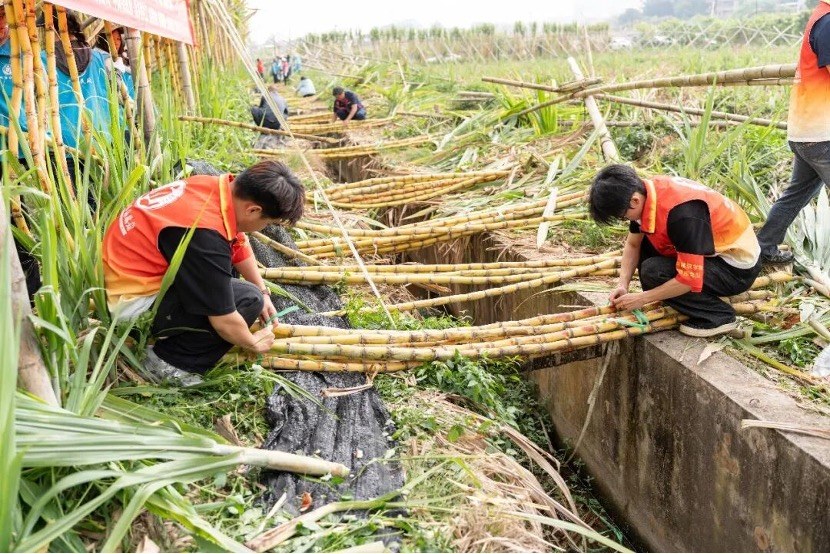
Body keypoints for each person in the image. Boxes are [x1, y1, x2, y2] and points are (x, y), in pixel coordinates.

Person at [102, 160, 305, 384]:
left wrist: (263, 288)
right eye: (267, 223)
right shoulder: (203, 234)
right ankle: (166, 363)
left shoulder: (212, 188)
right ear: (253, 210)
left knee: (246, 285)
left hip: (132, 273)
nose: (264, 228)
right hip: (131, 305)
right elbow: (224, 320)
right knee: (248, 300)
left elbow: (237, 240)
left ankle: (179, 332)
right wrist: (252, 342)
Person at [588, 164, 762, 338]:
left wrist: (642, 298)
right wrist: (622, 285)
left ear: (634, 201)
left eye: (623, 216)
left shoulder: (682, 215)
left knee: (653, 272)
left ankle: (718, 315)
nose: (626, 220)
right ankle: (682, 298)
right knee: (647, 247)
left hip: (735, 271)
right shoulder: (647, 193)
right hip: (709, 252)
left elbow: (688, 280)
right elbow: (633, 244)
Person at [757, 0, 830, 264]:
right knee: (795, 195)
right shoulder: (827, 23)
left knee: (796, 194)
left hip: (806, 132)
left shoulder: (820, 18)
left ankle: (763, 247)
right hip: (821, 134)